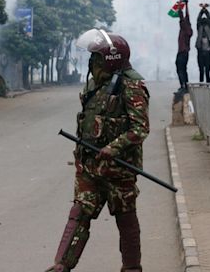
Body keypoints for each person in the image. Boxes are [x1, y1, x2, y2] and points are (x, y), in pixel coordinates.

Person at [46, 29, 150, 272]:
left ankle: (132, 268)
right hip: (89, 167)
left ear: (111, 59)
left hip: (119, 171)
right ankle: (61, 265)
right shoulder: (95, 86)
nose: (92, 63)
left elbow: (140, 128)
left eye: (97, 58)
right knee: (79, 214)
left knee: (125, 219)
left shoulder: (131, 86)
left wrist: (112, 149)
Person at [175, 0, 193, 92]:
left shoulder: (184, 28)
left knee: (179, 69)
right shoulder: (189, 29)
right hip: (186, 52)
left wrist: (179, 6)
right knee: (184, 69)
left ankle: (183, 85)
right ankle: (186, 85)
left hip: (181, 51)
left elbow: (181, 16)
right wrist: (186, 5)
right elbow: (187, 16)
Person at [195, 4, 210, 83]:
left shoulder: (208, 30)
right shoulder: (200, 31)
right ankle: (201, 84)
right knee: (201, 71)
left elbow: (209, 19)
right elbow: (198, 20)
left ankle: (207, 84)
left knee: (207, 71)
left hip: (207, 52)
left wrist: (205, 10)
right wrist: (202, 10)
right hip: (201, 52)